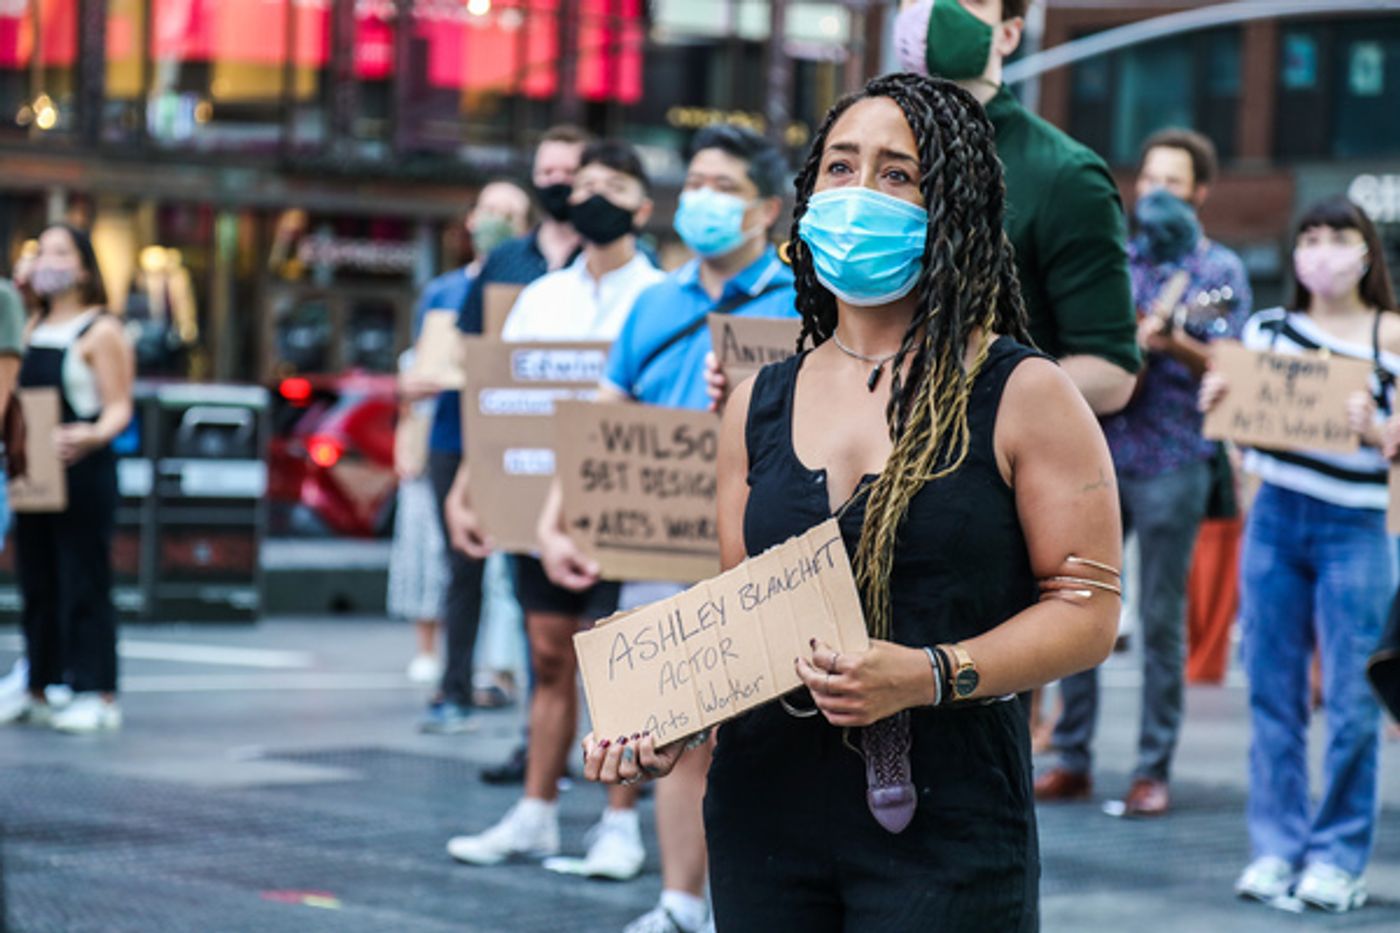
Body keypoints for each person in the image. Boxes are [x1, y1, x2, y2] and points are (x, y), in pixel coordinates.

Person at [584, 73, 1121, 930]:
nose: (859, 193)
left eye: (896, 174)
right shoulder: (755, 403)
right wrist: (663, 720)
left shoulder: (1023, 392)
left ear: (954, 207)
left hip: (949, 827)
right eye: (840, 167)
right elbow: (745, 625)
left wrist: (929, 673)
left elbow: (1088, 609)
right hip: (766, 816)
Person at [538, 123, 795, 933]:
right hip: (664, 543)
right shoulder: (657, 302)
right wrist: (557, 517)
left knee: (763, 743)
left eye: (724, 186)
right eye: (697, 183)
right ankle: (681, 903)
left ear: (768, 209)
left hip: (764, 547)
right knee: (677, 727)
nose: (704, 200)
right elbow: (604, 423)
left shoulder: (800, 304)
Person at [444, 139, 665, 880]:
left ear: (644, 205)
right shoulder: (540, 297)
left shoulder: (663, 297)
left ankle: (619, 820)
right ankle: (536, 812)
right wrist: (467, 487)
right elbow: (501, 405)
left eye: (614, 184)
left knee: (620, 666)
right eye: (586, 183)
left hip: (625, 509)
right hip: (536, 500)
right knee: (547, 657)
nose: (595, 195)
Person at [1035, 129, 1252, 815]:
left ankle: (1152, 767)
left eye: (1173, 182)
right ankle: (1071, 754)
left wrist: (1174, 341)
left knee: (1160, 619)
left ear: (1201, 192)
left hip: (1173, 460)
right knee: (1077, 604)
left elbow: (1231, 362)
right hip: (1096, 454)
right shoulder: (1114, 259)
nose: (1156, 192)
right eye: (1149, 179)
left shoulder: (1218, 272)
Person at [1201, 196, 1399, 913]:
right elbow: (1246, 436)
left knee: (1351, 700)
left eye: (1336, 237)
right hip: (1277, 520)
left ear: (1365, 251)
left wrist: (1378, 426)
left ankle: (1338, 856)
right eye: (1309, 237)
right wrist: (1223, 402)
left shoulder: (1392, 337)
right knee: (1272, 694)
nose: (1321, 250)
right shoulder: (1268, 330)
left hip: (1359, 527)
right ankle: (1277, 846)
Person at [406, 134, 585, 733]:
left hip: (567, 447)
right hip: (482, 442)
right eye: (547, 168)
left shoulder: (596, 263)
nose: (556, 179)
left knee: (546, 596)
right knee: (471, 571)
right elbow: (472, 356)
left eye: (568, 169)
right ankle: (460, 692)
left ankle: (551, 733)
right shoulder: (508, 264)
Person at [395, 180, 532, 689]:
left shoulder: (536, 289)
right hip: (453, 439)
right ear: (471, 219)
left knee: (522, 569)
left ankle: (512, 677)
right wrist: (411, 392)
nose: (496, 220)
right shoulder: (442, 292)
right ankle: (454, 688)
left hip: (516, 440)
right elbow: (417, 370)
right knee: (461, 567)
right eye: (489, 209)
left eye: (509, 213)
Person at [4, 223, 134, 733]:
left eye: (60, 252)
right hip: (30, 462)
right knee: (36, 579)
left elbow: (120, 405)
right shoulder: (30, 325)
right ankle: (41, 682)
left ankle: (96, 690)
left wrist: (92, 435)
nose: (47, 261)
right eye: (40, 252)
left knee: (84, 578)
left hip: (81, 469)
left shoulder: (101, 330)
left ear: (83, 266)